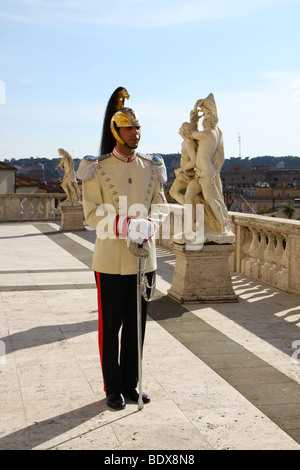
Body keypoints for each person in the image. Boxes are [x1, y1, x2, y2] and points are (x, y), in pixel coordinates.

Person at [77, 87, 168, 410]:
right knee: (110, 328)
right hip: (111, 261)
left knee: (136, 328)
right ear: (116, 131)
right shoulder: (96, 168)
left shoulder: (152, 166)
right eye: (130, 128)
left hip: (145, 259)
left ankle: (131, 385)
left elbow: (161, 206)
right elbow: (91, 214)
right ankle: (112, 388)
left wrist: (150, 224)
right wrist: (127, 226)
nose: (136, 134)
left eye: (138, 128)